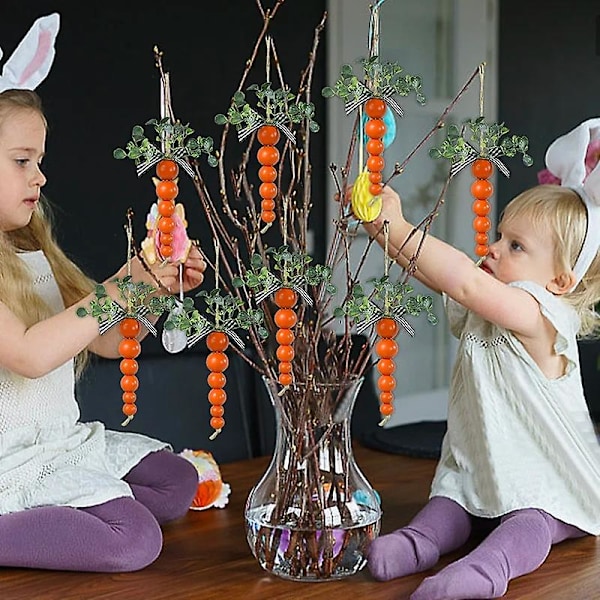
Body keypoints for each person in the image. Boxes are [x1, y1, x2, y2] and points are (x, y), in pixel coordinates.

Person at [363, 118, 600, 600]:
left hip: (547, 478)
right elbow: (437, 276)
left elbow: (463, 282)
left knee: (528, 523)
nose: (493, 247)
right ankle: (418, 543)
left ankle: (487, 568)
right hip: (484, 463)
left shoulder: (539, 313)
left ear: (559, 281)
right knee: (450, 502)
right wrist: (382, 232)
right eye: (500, 234)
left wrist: (402, 226)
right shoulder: (496, 297)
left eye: (516, 246)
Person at [0, 86, 208, 572]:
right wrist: (119, 290)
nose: (40, 176)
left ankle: (70, 507)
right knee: (132, 539)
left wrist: (152, 285)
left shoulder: (33, 252)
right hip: (8, 463)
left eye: (40, 160)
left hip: (55, 445)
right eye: (21, 161)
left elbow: (109, 340)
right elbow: (30, 355)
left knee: (176, 482)